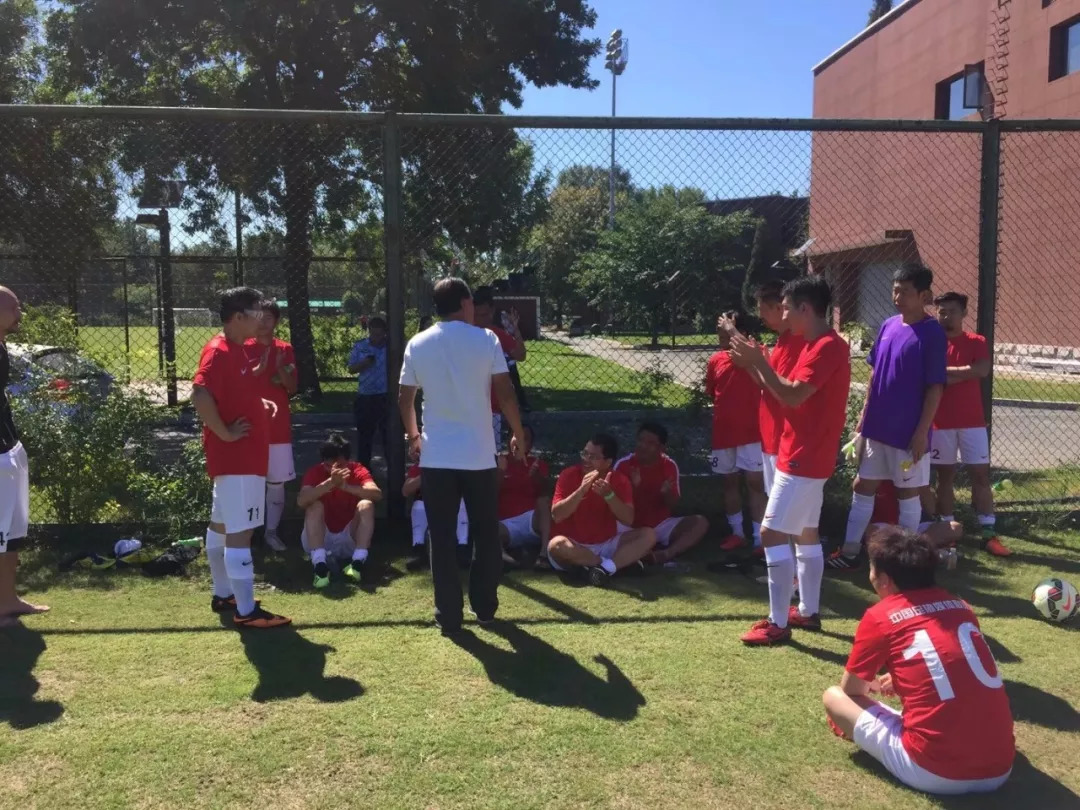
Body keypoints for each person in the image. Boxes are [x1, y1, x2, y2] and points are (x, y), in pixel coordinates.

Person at [823, 526, 1014, 796]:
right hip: (1001, 767)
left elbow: (851, 690)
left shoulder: (881, 615)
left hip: (934, 771)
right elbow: (954, 663)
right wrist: (902, 679)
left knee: (834, 697)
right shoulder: (961, 607)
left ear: (884, 579)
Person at [398, 278, 526, 636]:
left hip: (436, 456)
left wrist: (414, 436)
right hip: (479, 455)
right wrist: (517, 432)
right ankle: (484, 608)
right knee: (485, 534)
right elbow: (505, 392)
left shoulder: (418, 342)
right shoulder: (486, 340)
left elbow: (405, 398)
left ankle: (448, 615)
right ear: (466, 303)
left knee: (441, 536)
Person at [729, 275, 851, 645]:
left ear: (805, 308)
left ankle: (777, 623)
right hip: (799, 451)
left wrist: (758, 362)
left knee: (771, 532)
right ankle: (808, 612)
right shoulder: (814, 344)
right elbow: (783, 392)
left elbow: (793, 396)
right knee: (806, 532)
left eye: (786, 308)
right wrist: (757, 363)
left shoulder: (826, 347)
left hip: (805, 456)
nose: (782, 315)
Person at [835, 264, 947, 570]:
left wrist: (921, 432)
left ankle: (906, 564)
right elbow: (874, 376)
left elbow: (935, 388)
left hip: (908, 434)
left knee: (907, 493)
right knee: (862, 486)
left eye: (905, 292)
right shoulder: (887, 326)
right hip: (876, 429)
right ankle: (849, 553)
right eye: (895, 290)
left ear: (924, 295)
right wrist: (862, 420)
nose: (897, 297)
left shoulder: (933, 333)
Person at [192, 287, 289, 629]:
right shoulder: (218, 351)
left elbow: (232, 393)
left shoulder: (237, 348)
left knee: (220, 526)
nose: (262, 318)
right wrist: (225, 433)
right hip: (239, 460)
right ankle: (246, 611)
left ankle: (224, 594)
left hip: (238, 461)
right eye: (256, 312)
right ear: (238, 317)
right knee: (241, 532)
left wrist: (258, 405)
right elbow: (200, 393)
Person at [930, 292, 1011, 557]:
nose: (946, 316)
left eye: (952, 311)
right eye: (942, 311)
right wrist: (966, 372)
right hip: (940, 423)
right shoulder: (931, 342)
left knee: (981, 476)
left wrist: (944, 373)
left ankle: (988, 534)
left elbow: (982, 370)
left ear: (964, 313)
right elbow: (932, 377)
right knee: (945, 478)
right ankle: (947, 532)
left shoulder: (977, 341)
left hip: (973, 423)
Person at [0, 286, 48, 627]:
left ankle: (8, 600)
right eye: (14, 307)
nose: (20, 313)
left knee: (12, 532)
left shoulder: (1, 346)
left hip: (10, 449)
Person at [549, 433, 656, 586]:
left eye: (593, 457)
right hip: (573, 545)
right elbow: (557, 515)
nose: (586, 459)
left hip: (606, 544)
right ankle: (609, 566)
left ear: (608, 462)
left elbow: (628, 519)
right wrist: (581, 490)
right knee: (556, 545)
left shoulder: (619, 480)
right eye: (585, 453)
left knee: (649, 535)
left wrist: (609, 495)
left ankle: (599, 569)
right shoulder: (568, 475)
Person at [705, 311, 765, 552]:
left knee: (755, 483)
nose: (721, 337)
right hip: (724, 434)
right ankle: (737, 533)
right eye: (719, 332)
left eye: (726, 332)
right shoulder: (716, 360)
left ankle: (760, 538)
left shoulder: (757, 353)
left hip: (753, 433)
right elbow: (713, 393)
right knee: (730, 482)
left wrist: (734, 333)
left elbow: (766, 378)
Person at [614, 421, 708, 565]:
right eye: (640, 440)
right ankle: (636, 552)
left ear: (661, 448)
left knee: (700, 522)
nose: (643, 446)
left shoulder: (669, 466)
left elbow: (672, 504)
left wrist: (666, 493)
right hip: (629, 526)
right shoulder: (623, 465)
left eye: (650, 443)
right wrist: (634, 487)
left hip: (660, 525)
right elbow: (615, 505)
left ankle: (665, 554)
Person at [297, 432, 382, 588]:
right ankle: (320, 567)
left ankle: (357, 563)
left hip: (349, 536)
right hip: (320, 536)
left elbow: (376, 494)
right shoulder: (315, 472)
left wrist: (346, 487)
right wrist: (329, 484)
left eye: (339, 466)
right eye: (329, 466)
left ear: (348, 461)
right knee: (314, 506)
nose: (334, 471)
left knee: (366, 504)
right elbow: (302, 501)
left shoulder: (357, 469)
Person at [246, 300, 297, 552]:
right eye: (258, 317)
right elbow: (238, 384)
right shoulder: (243, 347)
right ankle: (248, 532)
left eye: (268, 318)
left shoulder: (284, 349)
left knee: (276, 482)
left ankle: (271, 532)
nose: (262, 322)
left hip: (277, 426)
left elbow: (292, 387)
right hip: (248, 426)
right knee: (249, 481)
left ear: (276, 321)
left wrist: (278, 368)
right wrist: (260, 369)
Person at [473, 286, 525, 448]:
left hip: (492, 408)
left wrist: (515, 329)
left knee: (489, 453)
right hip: (468, 406)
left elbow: (520, 354)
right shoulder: (466, 333)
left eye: (485, 315)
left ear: (492, 311)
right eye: (477, 315)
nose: (481, 320)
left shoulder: (495, 333)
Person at [496, 424, 551, 564]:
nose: (520, 442)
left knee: (544, 502)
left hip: (530, 520)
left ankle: (544, 555)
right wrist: (500, 472)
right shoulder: (498, 463)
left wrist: (537, 477)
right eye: (516, 437)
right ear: (509, 440)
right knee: (489, 528)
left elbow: (546, 493)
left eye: (525, 439)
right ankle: (503, 558)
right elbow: (489, 494)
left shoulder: (537, 464)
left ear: (530, 445)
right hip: (505, 524)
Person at [404, 456, 470, 572]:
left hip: (452, 502)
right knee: (418, 505)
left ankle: (463, 548)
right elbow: (405, 491)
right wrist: (426, 474)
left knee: (462, 504)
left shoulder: (458, 463)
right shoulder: (420, 467)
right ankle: (418, 548)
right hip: (429, 504)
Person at [867, 481, 963, 551]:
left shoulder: (915, 476)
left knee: (955, 528)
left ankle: (911, 548)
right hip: (886, 527)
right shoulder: (875, 476)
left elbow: (931, 510)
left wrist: (923, 488)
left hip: (917, 529)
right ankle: (919, 549)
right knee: (869, 531)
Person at [348, 315, 388, 469]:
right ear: (369, 331)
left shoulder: (391, 347)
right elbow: (351, 368)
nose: (376, 338)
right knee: (365, 436)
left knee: (388, 435)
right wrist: (364, 363)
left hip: (385, 395)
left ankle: (393, 471)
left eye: (379, 334)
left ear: (385, 332)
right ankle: (364, 471)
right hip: (366, 396)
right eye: (373, 334)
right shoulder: (360, 346)